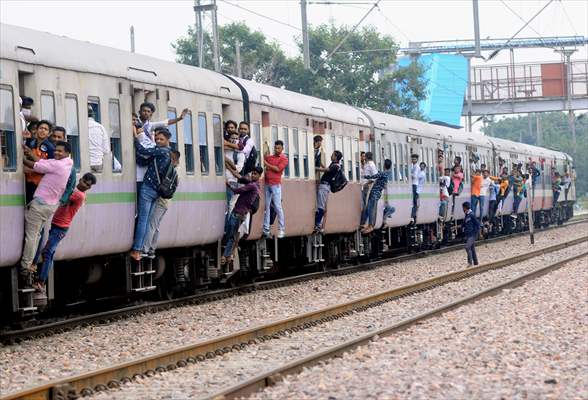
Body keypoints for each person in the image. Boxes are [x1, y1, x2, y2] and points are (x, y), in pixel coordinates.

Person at [34, 173, 97, 295]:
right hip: (57, 226)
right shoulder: (78, 192)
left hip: (60, 228)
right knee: (49, 253)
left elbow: (63, 194)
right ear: (80, 179)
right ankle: (41, 279)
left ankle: (41, 281)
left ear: (89, 188)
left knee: (47, 252)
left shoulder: (78, 195)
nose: (84, 185)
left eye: (87, 185)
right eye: (84, 182)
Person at [20, 141, 73, 285]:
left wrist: (19, 157)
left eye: (60, 151)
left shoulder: (57, 164)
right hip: (50, 206)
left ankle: (25, 267)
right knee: (36, 235)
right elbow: (43, 162)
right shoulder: (67, 163)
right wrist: (30, 152)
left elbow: (36, 165)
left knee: (31, 236)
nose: (56, 152)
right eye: (56, 150)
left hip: (40, 204)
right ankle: (29, 264)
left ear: (67, 153)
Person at [131, 127, 173, 261]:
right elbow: (144, 160)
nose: (158, 141)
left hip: (148, 189)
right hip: (157, 191)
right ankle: (145, 248)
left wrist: (135, 138)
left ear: (168, 140)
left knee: (143, 220)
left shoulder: (161, 151)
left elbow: (143, 151)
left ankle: (137, 249)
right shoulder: (168, 153)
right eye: (157, 139)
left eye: (161, 139)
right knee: (148, 220)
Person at [135, 102, 188, 188]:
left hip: (146, 155)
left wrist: (179, 118)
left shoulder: (150, 125)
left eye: (148, 111)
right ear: (139, 112)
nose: (146, 113)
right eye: (144, 111)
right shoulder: (135, 121)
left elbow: (165, 123)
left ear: (151, 114)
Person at [142, 150, 180, 258]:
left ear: (173, 159)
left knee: (151, 224)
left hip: (161, 201)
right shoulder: (176, 171)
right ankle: (152, 249)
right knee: (156, 225)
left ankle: (145, 249)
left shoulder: (172, 171)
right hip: (166, 202)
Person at [222, 166, 263, 265]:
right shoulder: (254, 184)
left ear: (259, 176)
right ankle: (229, 256)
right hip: (240, 212)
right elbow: (240, 178)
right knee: (233, 234)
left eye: (255, 174)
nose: (253, 175)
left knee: (232, 234)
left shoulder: (252, 186)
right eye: (252, 173)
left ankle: (227, 255)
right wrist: (232, 170)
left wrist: (229, 185)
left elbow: (237, 191)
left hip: (239, 213)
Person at [24, 120, 55, 204]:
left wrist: (31, 170)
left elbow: (50, 168)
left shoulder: (50, 148)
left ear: (49, 133)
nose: (43, 130)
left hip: (41, 184)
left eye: (45, 129)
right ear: (36, 130)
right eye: (41, 128)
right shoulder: (31, 143)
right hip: (29, 181)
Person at [263, 140, 288, 238]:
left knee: (277, 206)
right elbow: (265, 161)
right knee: (267, 206)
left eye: (279, 148)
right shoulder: (270, 157)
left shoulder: (284, 159)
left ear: (282, 149)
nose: (277, 150)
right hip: (267, 183)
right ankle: (266, 228)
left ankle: (281, 229)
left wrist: (266, 164)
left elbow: (278, 169)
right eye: (275, 148)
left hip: (276, 185)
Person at [361, 159, 392, 234]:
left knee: (371, 209)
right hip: (375, 193)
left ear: (384, 165)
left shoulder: (384, 173)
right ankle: (365, 224)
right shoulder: (387, 173)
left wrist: (364, 176)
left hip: (375, 193)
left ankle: (371, 226)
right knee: (368, 208)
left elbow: (375, 176)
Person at [314, 151, 343, 233]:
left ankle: (317, 224)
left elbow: (326, 170)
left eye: (332, 155)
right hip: (324, 186)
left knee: (321, 206)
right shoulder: (334, 164)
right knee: (321, 205)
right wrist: (321, 164)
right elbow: (327, 169)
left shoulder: (335, 166)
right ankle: (318, 224)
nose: (331, 155)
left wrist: (315, 168)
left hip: (324, 186)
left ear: (336, 157)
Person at [224, 131, 245, 211]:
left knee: (230, 204)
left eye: (236, 139)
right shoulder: (224, 149)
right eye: (233, 138)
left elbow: (237, 169)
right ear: (229, 139)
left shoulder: (240, 154)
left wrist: (227, 162)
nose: (235, 140)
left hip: (232, 181)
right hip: (222, 179)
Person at [88, 107, 111, 173]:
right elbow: (106, 150)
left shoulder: (77, 127)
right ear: (93, 115)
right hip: (98, 163)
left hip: (84, 163)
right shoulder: (100, 127)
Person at [462, 201, 480, 267]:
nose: (463, 210)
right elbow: (464, 224)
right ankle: (476, 263)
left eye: (463, 208)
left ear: (465, 208)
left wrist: (476, 233)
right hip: (469, 235)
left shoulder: (472, 215)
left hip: (472, 235)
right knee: (472, 248)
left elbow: (477, 224)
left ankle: (470, 263)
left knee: (467, 247)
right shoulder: (467, 215)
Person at [411, 160, 426, 224]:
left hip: (418, 190)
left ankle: (414, 216)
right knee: (415, 203)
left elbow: (415, 177)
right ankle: (414, 216)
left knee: (415, 203)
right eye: (421, 166)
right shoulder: (419, 171)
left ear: (424, 167)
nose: (421, 167)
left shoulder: (422, 174)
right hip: (417, 189)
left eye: (423, 166)